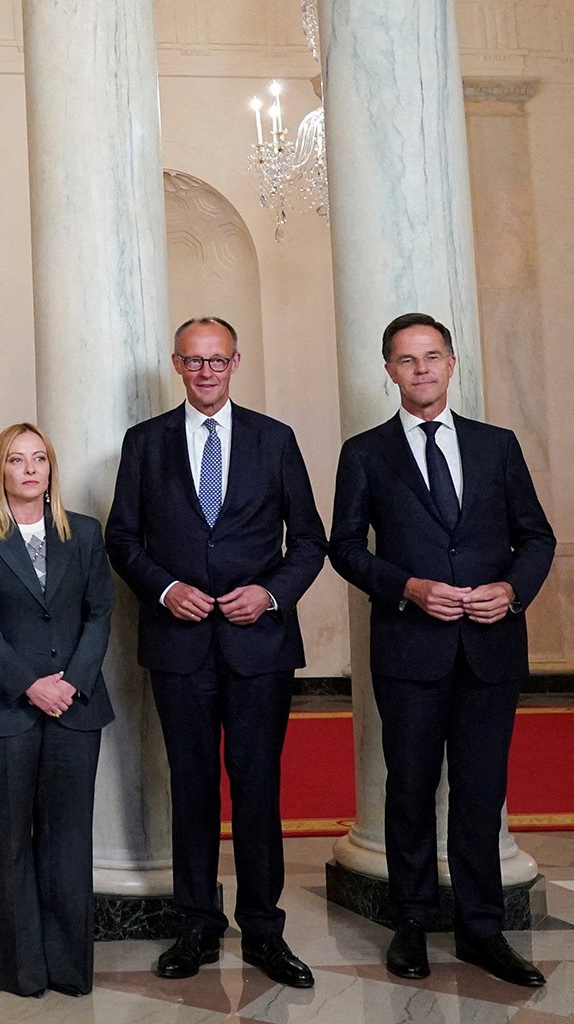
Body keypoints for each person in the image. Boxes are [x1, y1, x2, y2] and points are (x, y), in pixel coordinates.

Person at [329, 312, 555, 988]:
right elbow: (344, 548)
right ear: (389, 371)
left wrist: (510, 591)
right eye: (406, 359)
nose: (420, 369)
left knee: (481, 793)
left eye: (431, 357)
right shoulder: (364, 452)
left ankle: (482, 930)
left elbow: (535, 537)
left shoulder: (496, 445)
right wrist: (408, 587)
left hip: (490, 647)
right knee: (408, 789)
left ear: (451, 364)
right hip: (409, 648)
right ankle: (410, 922)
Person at [105, 316, 326, 989]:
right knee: (192, 788)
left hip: (259, 646)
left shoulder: (273, 438)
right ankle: (196, 925)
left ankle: (263, 930)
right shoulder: (144, 442)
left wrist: (270, 593)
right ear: (177, 365)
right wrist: (165, 589)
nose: (206, 372)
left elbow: (309, 541)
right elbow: (122, 539)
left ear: (235, 363)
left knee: (257, 789)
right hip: (178, 647)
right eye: (194, 361)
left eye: (217, 360)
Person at [0, 423, 113, 998]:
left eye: (39, 459)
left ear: (51, 469)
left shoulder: (84, 533)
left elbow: (100, 613)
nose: (29, 470)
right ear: (0, 470)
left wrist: (70, 684)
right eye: (17, 460)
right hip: (2, 710)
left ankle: (68, 968)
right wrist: (30, 686)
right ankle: (19, 969)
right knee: (10, 842)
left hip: (76, 707)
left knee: (68, 842)